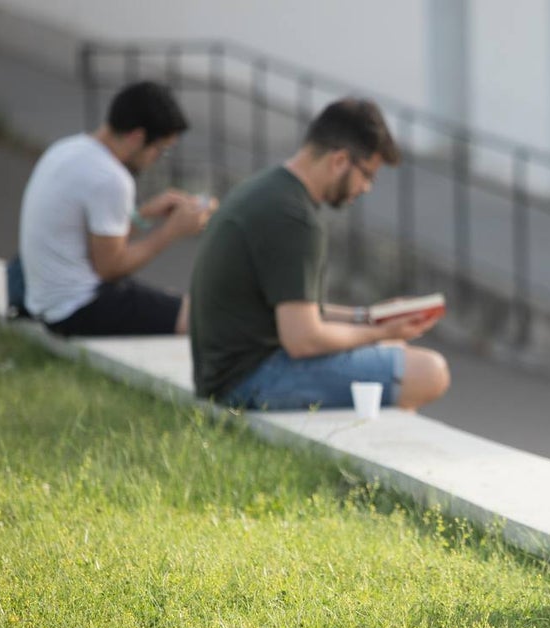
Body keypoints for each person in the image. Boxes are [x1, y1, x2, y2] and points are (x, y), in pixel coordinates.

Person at [189, 97, 450, 411]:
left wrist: (368, 318)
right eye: (368, 175)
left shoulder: (266, 189)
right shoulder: (296, 219)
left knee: (392, 349)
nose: (366, 187)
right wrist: (380, 332)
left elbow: (296, 309)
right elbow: (303, 339)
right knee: (429, 372)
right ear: (340, 160)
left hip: (224, 374)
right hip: (249, 381)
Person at [19, 81, 213, 336]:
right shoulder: (111, 178)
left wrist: (144, 215)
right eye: (160, 150)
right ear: (137, 138)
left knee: (174, 302)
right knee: (202, 317)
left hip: (42, 298)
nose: (156, 159)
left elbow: (96, 241)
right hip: (75, 309)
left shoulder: (68, 148)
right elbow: (110, 268)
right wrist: (172, 232)